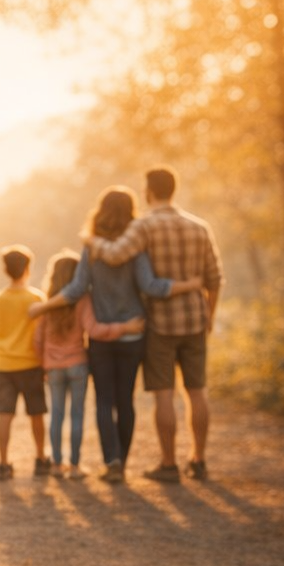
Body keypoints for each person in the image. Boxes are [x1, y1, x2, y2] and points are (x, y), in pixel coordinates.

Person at [29, 186, 203, 483]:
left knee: (104, 401)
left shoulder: (92, 249)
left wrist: (44, 306)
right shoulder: (136, 249)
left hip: (100, 338)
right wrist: (189, 285)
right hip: (133, 335)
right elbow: (150, 286)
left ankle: (111, 461)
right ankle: (121, 461)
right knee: (125, 401)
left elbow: (76, 289)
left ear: (101, 211)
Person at [86, 166, 223, 482]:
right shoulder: (199, 227)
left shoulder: (144, 226)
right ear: (173, 189)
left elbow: (115, 255)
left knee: (164, 393)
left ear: (149, 191)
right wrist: (209, 316)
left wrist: (90, 241)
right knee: (197, 390)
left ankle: (169, 464)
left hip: (160, 324)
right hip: (195, 320)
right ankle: (199, 460)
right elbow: (214, 279)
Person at [33, 249, 147, 480]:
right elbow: (94, 330)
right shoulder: (83, 300)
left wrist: (43, 364)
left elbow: (37, 339)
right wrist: (125, 328)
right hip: (78, 365)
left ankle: (56, 465)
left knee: (56, 416)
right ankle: (75, 466)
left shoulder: (48, 303)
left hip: (53, 368)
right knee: (77, 416)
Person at [0, 244, 49, 481]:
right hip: (31, 364)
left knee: (5, 415)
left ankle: (3, 463)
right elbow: (43, 334)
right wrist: (44, 363)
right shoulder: (36, 298)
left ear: (5, 270)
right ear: (27, 269)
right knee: (36, 414)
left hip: (5, 365)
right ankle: (41, 459)